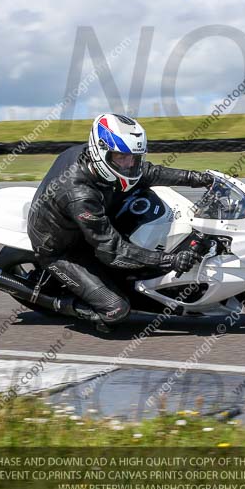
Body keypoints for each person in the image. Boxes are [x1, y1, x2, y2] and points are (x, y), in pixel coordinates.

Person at [26, 113, 214, 333]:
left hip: (89, 218)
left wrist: (198, 178)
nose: (129, 164)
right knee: (117, 310)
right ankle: (66, 305)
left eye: (134, 157)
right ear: (100, 151)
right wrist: (168, 260)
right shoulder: (81, 195)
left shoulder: (104, 164)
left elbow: (150, 173)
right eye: (122, 157)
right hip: (63, 249)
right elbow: (112, 250)